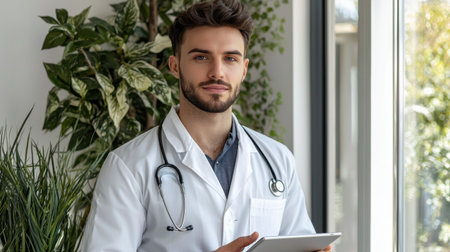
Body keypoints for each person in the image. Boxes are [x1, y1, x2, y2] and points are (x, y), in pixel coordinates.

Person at [80, 0, 331, 251]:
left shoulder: (277, 160)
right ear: (175, 66)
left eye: (230, 58)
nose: (217, 72)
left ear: (244, 70)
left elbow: (298, 242)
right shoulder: (128, 167)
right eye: (201, 57)